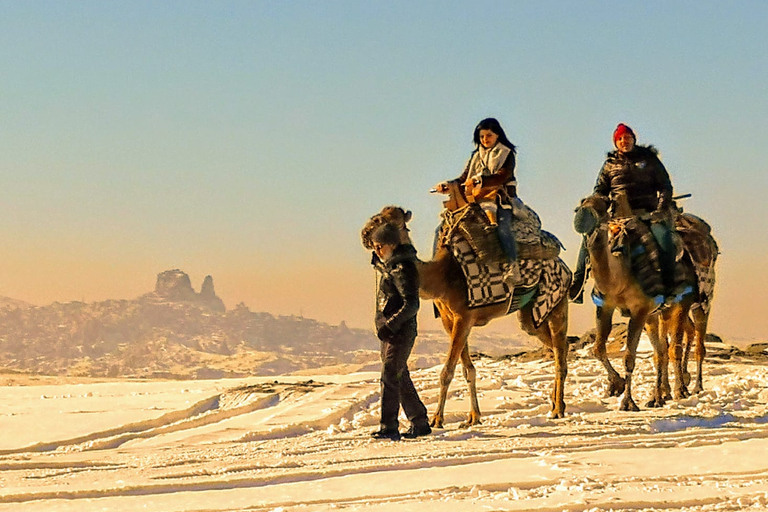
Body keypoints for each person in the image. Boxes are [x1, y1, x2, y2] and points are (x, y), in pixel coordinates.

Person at [570, 123, 677, 303]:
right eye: (619, 139)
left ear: (634, 139)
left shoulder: (649, 160)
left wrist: (660, 210)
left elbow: (665, 187)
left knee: (664, 238)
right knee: (590, 236)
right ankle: (578, 283)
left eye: (627, 137)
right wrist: (594, 205)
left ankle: (669, 286)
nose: (623, 141)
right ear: (615, 143)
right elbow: (600, 190)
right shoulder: (609, 165)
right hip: (619, 216)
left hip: (648, 214)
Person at [369, 222, 431, 441]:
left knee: (390, 376)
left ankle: (389, 427)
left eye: (380, 247)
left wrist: (391, 324)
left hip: (400, 332)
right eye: (374, 247)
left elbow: (412, 303)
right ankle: (420, 422)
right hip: (391, 332)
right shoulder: (391, 266)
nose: (377, 251)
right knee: (399, 375)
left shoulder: (402, 268)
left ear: (392, 245)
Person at [434, 117, 519, 263]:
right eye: (482, 136)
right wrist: (448, 185)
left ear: (497, 135)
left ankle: (513, 265)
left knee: (503, 229)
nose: (485, 139)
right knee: (441, 230)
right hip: (475, 200)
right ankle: (436, 265)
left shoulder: (506, 154)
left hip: (501, 199)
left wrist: (480, 181)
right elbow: (463, 179)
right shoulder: (476, 157)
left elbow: (502, 176)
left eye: (489, 135)